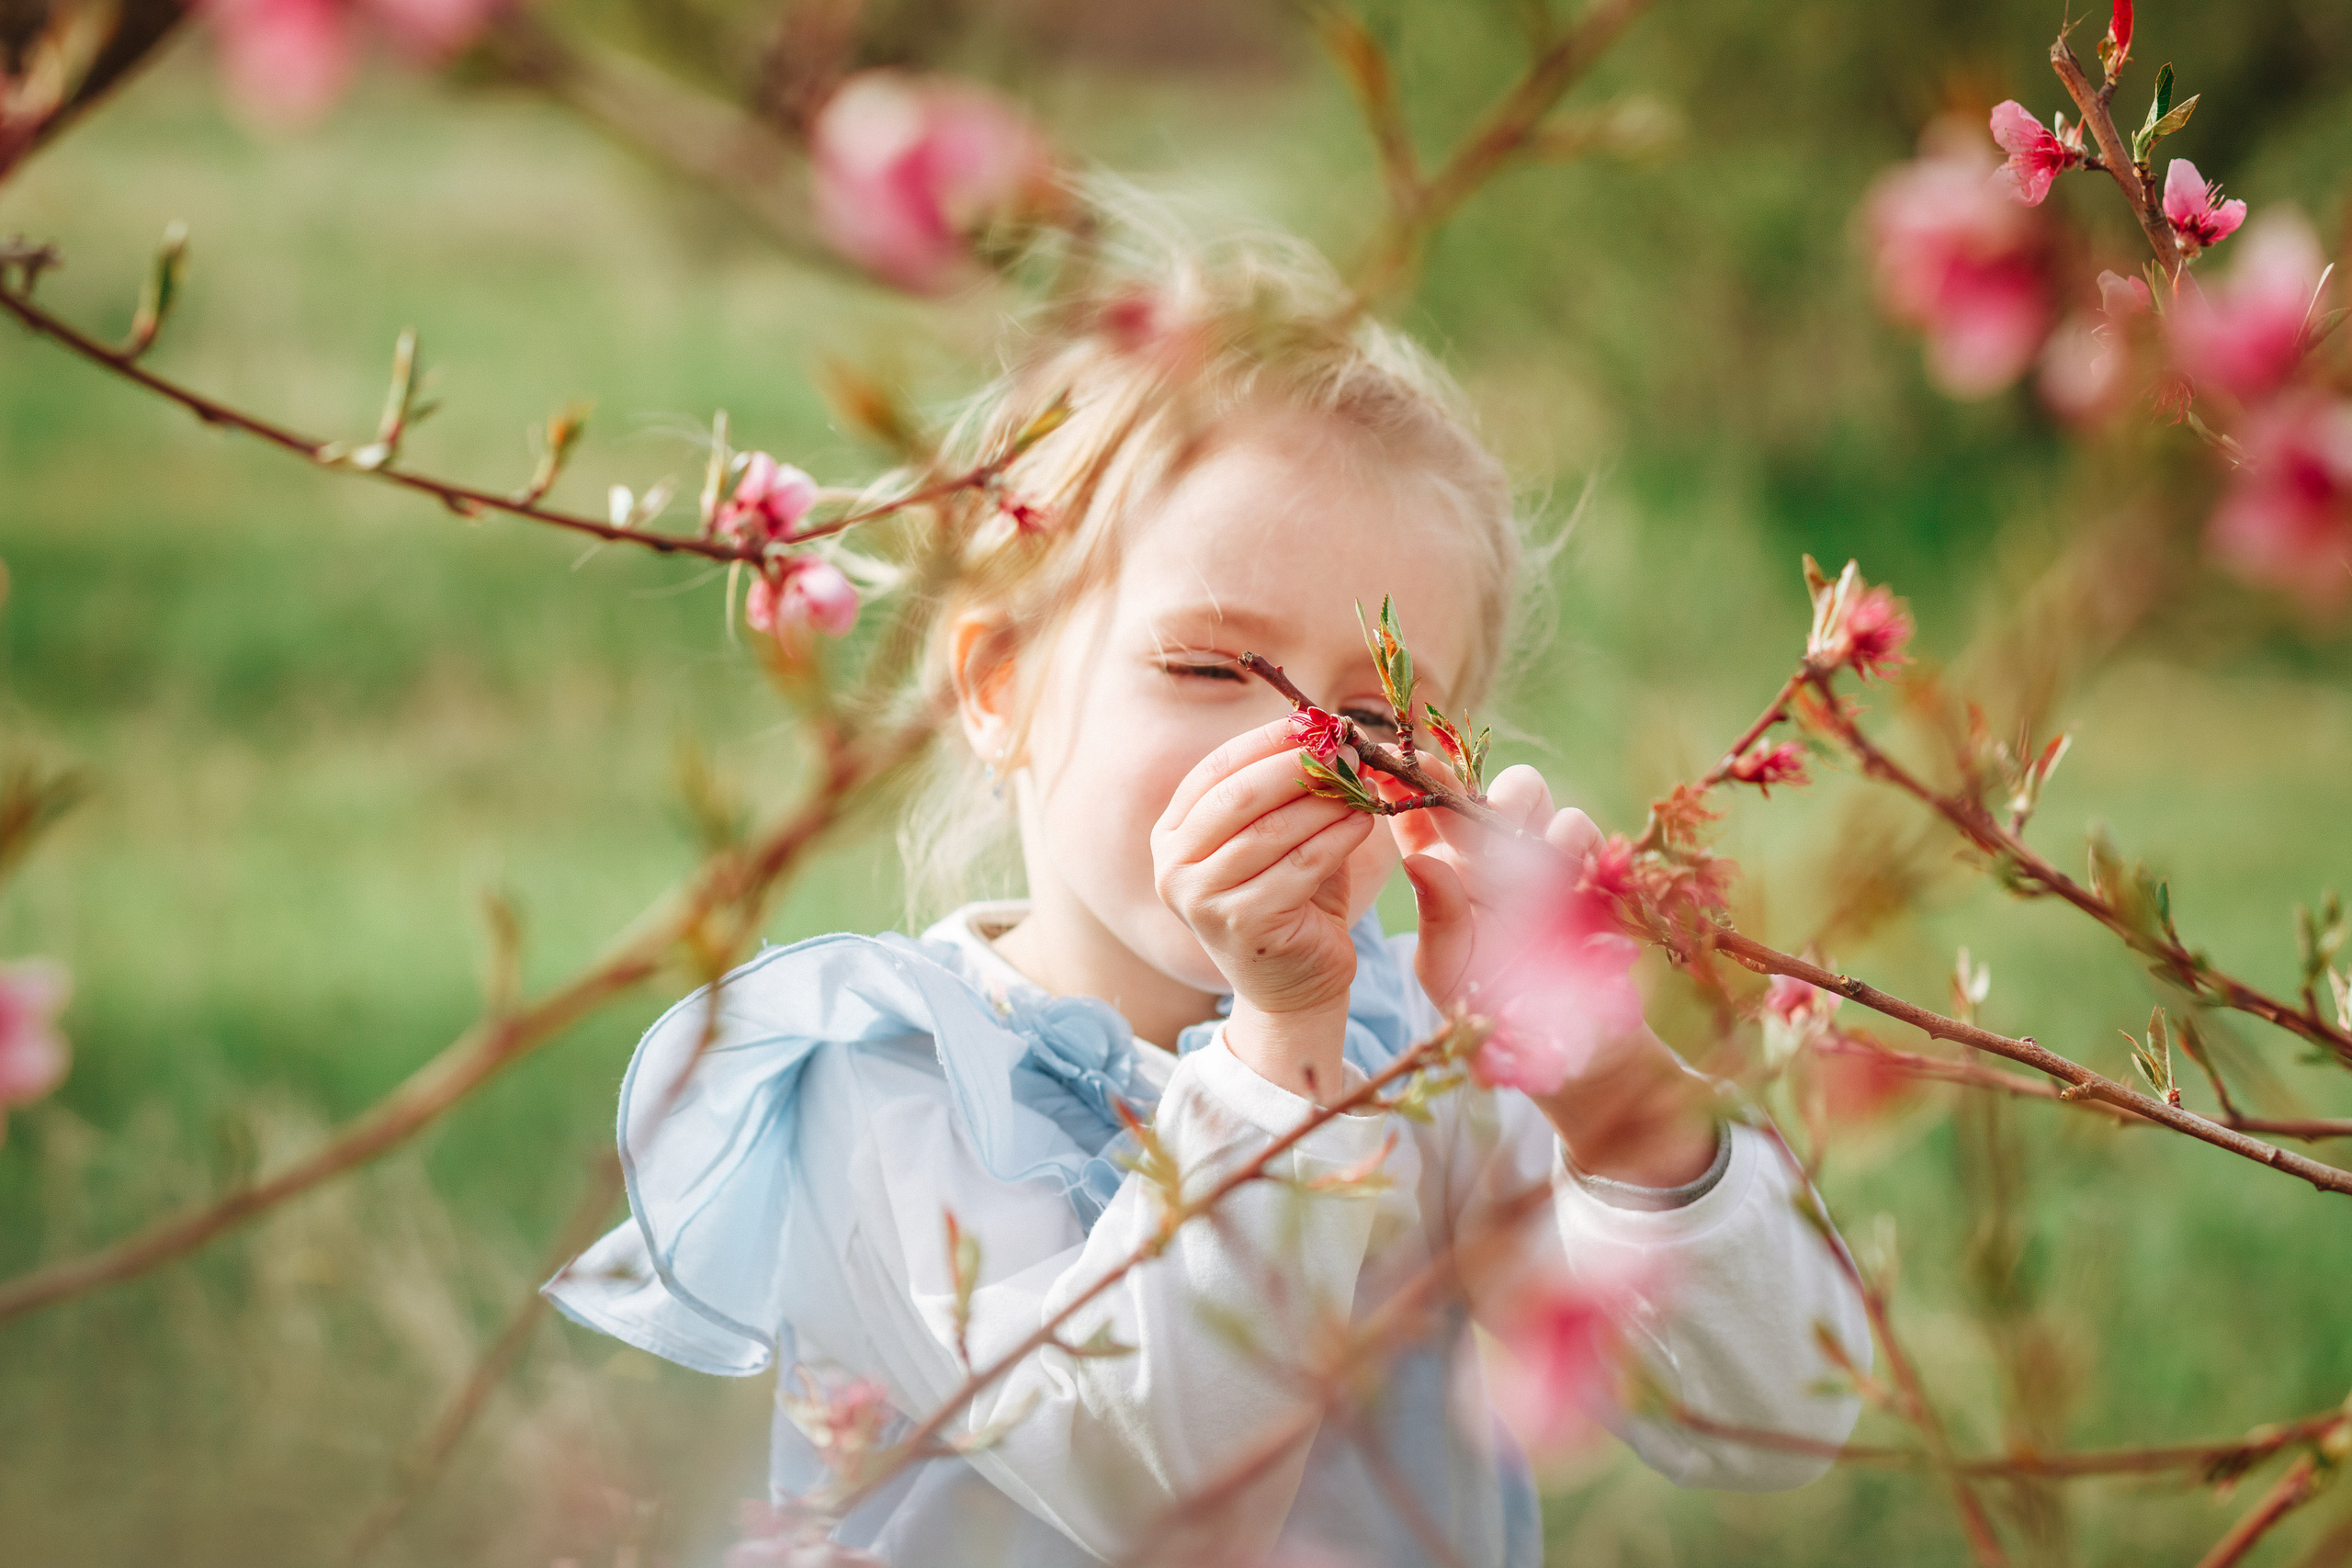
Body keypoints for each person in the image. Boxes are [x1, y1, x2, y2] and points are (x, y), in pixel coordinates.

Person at [548, 230, 1870, 1568]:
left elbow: (1779, 1416)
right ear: (998, 687)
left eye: (1370, 714)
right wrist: (1280, 1049)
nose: (1297, 750)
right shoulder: (894, 1081)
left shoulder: (1438, 1068)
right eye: (1203, 668)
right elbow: (1158, 1497)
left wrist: (1605, 1091)